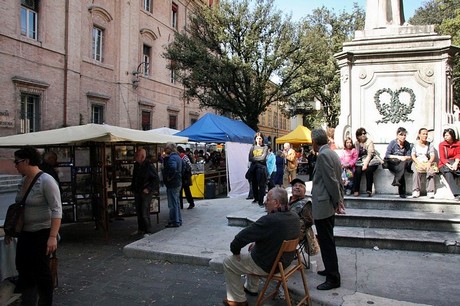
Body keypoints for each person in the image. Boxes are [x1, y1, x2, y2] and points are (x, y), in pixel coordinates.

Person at [222, 187, 300, 306]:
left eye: (267, 199)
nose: (265, 202)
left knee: (229, 262)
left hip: (269, 265)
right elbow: (276, 237)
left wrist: (235, 251)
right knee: (253, 249)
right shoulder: (294, 216)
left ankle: (237, 300)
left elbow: (239, 239)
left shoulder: (269, 220)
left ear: (276, 203)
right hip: (285, 261)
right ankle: (251, 288)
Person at [4, 146, 62, 306]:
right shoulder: (23, 180)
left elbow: (57, 209)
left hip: (42, 233)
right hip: (25, 233)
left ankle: (45, 302)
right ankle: (28, 301)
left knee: (42, 272)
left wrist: (52, 237)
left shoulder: (46, 181)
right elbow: (19, 207)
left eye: (17, 162)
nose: (15, 165)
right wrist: (11, 230)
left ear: (27, 161)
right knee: (23, 268)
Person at [311, 128, 343, 291]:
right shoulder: (332, 153)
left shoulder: (324, 155)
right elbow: (337, 180)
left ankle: (333, 278)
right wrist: (338, 200)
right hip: (327, 204)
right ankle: (330, 270)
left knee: (326, 242)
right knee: (326, 240)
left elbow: (332, 181)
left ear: (315, 142)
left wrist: (338, 201)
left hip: (324, 205)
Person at [131, 148, 160, 236]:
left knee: (144, 211)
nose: (135, 157)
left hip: (146, 191)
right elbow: (135, 178)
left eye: (137, 155)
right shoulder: (137, 165)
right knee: (139, 211)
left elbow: (156, 179)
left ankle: (148, 230)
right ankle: (141, 229)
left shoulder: (149, 165)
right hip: (138, 190)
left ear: (142, 156)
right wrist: (133, 188)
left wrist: (148, 188)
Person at [385, 127, 412, 198]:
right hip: (392, 162)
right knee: (401, 168)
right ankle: (402, 192)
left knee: (402, 165)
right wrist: (398, 157)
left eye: (404, 135)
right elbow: (387, 155)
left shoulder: (407, 144)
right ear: (397, 135)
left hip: (402, 163)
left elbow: (409, 156)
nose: (403, 137)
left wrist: (404, 157)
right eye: (401, 135)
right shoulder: (393, 143)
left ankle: (397, 181)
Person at [352, 128, 379, 197]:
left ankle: (369, 189)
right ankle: (356, 190)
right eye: (361, 134)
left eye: (364, 133)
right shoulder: (356, 143)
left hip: (371, 160)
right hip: (360, 161)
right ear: (358, 136)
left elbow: (370, 155)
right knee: (357, 171)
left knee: (368, 170)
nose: (363, 135)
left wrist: (365, 164)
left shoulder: (369, 142)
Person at [411, 128, 436, 198]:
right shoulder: (415, 144)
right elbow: (413, 155)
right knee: (416, 172)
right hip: (417, 161)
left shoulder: (429, 144)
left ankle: (430, 191)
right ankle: (416, 190)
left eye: (426, 134)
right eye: (423, 134)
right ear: (419, 135)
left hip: (426, 161)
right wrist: (418, 163)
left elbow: (432, 155)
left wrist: (429, 162)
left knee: (431, 171)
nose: (425, 136)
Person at [162, 142, 183, 227]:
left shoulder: (172, 158)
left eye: (166, 148)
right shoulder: (178, 157)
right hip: (178, 181)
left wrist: (169, 177)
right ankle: (178, 219)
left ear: (169, 149)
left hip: (173, 183)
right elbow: (183, 166)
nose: (164, 150)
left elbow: (173, 168)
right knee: (176, 202)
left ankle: (175, 221)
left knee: (172, 203)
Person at [438, 128, 460, 200]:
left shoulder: (458, 143)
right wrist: (448, 165)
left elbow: (458, 154)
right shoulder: (442, 144)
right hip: (444, 164)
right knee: (447, 172)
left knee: (454, 171)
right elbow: (442, 157)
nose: (445, 137)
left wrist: (456, 163)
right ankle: (457, 194)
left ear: (452, 135)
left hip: (455, 162)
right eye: (444, 135)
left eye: (447, 135)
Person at [247, 132, 268, 207]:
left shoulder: (265, 147)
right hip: (253, 169)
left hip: (261, 169)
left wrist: (255, 159)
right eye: (257, 138)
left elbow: (263, 158)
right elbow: (250, 158)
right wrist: (259, 158)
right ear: (255, 139)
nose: (258, 140)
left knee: (262, 185)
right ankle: (256, 198)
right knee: (254, 184)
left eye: (260, 138)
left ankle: (261, 201)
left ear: (262, 139)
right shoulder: (252, 147)